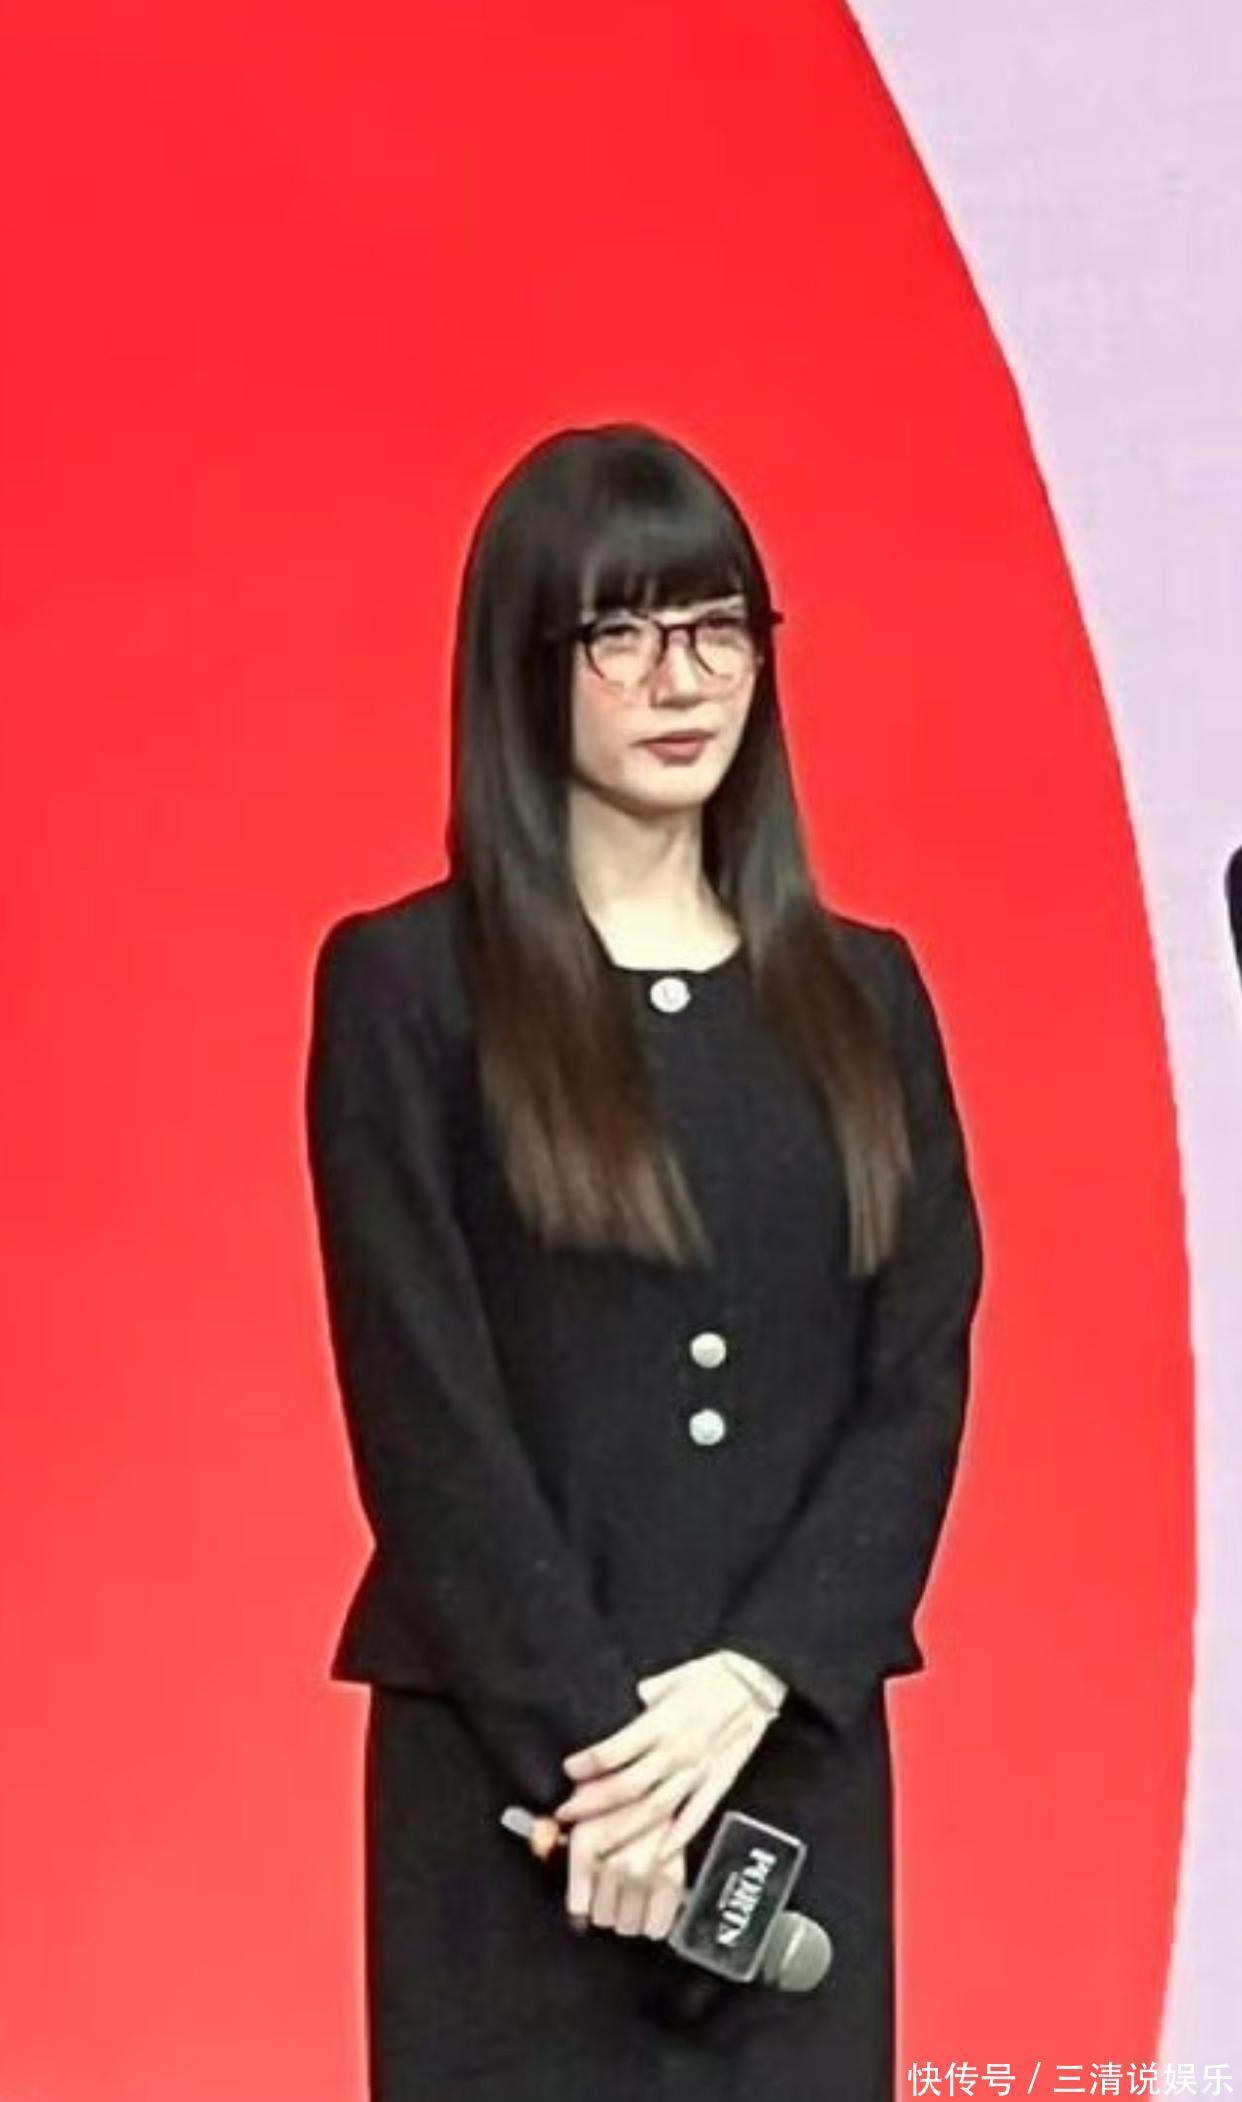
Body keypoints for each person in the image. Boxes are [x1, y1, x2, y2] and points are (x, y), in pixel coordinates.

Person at [303, 421, 986, 2100]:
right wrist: (599, 1762)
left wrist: (756, 1679)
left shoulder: (864, 994)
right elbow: (423, 1408)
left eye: (717, 626)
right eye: (619, 632)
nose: (680, 679)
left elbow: (918, 1371)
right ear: (522, 663)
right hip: (515, 1786)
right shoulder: (408, 989)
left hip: (783, 1769)